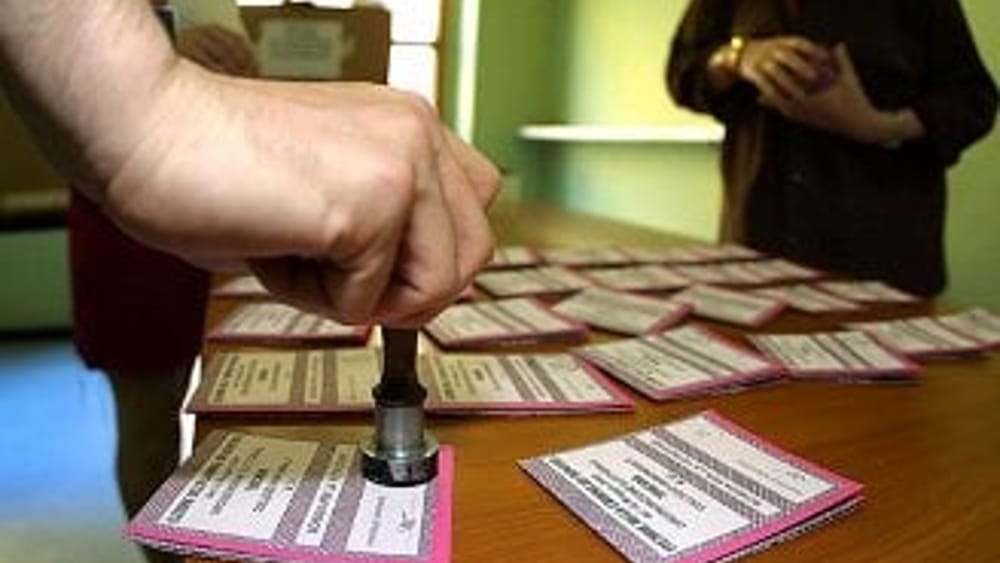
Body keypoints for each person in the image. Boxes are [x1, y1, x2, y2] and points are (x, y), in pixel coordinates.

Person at [67, 4, 261, 562]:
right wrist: (161, 66)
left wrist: (240, 67)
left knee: (207, 406)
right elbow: (52, 89)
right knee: (149, 418)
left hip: (207, 209)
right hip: (123, 221)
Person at [666, 0, 997, 296]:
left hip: (882, 258)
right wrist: (736, 57)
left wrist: (880, 127)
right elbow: (682, 72)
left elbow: (973, 101)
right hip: (755, 247)